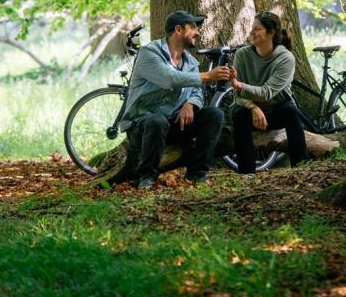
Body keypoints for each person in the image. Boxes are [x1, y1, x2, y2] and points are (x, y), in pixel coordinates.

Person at [120, 10, 231, 190]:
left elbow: (196, 92)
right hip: (142, 125)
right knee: (157, 120)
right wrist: (209, 75)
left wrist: (191, 104)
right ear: (178, 29)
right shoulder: (149, 53)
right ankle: (146, 176)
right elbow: (169, 78)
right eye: (193, 27)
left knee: (214, 115)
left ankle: (197, 174)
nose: (198, 32)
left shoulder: (191, 63)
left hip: (173, 123)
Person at [230, 11, 309, 174]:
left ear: (271, 33)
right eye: (252, 28)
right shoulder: (242, 55)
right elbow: (237, 97)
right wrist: (252, 107)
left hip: (277, 110)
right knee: (238, 114)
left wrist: (238, 85)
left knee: (292, 113)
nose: (252, 32)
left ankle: (302, 169)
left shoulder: (286, 58)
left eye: (257, 29)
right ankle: (246, 174)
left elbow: (267, 92)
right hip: (250, 110)